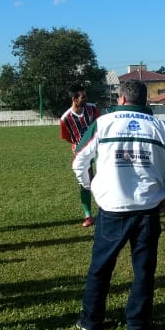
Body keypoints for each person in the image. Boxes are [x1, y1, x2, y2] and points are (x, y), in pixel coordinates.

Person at [74, 80, 165, 330]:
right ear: (146, 101)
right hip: (148, 210)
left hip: (111, 208)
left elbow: (78, 161)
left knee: (100, 267)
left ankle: (91, 321)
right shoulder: (161, 127)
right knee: (144, 269)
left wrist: (91, 186)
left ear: (120, 99)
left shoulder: (103, 123)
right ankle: (137, 324)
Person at [59, 85, 100, 227]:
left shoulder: (92, 109)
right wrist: (79, 146)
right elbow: (68, 137)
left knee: (105, 178)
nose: (86, 99)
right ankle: (88, 216)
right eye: (83, 97)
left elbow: (101, 125)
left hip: (100, 149)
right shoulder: (65, 119)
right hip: (82, 153)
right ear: (74, 99)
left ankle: (106, 211)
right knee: (85, 184)